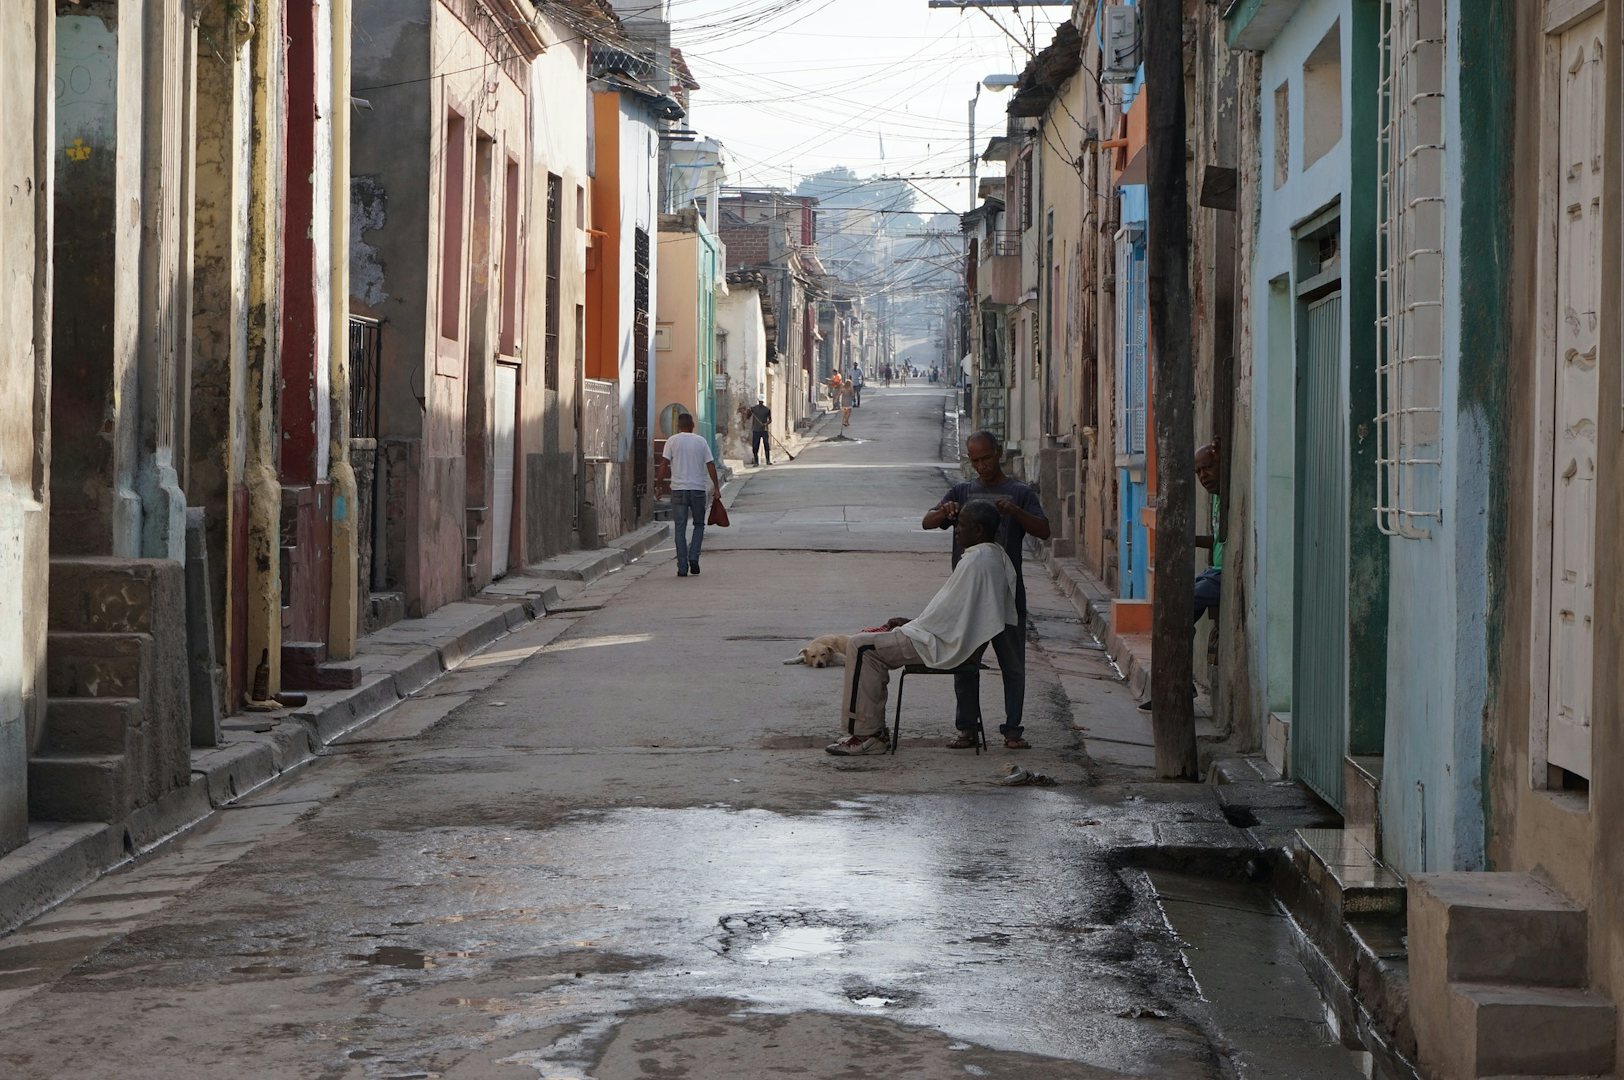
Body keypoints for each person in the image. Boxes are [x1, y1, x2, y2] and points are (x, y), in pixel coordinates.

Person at [828, 501, 1017, 756]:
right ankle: (871, 731)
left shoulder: (977, 562)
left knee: (860, 646)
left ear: (979, 530)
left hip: (945, 645)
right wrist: (912, 623)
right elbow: (952, 613)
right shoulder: (993, 555)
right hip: (949, 639)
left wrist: (912, 627)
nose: (956, 531)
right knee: (870, 643)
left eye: (961, 525)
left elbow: (948, 618)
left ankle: (866, 735)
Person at [921, 431, 1050, 749]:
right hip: (969, 596)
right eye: (974, 460)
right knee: (964, 660)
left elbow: (1044, 529)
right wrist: (944, 513)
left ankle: (1012, 729)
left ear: (999, 452)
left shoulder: (1018, 492)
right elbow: (927, 521)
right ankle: (966, 727)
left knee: (1012, 663)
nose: (981, 466)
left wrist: (1016, 513)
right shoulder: (963, 490)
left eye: (986, 458)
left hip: (1006, 592)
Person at [1139, 441, 1223, 711]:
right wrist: (1190, 539)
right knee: (1170, 608)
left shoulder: (1226, 496)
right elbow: (1217, 542)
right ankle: (1173, 686)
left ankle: (1177, 688)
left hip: (1220, 576)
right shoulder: (1217, 499)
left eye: (1207, 468)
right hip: (1213, 573)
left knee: (1177, 611)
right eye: (1198, 472)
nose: (1203, 477)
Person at [660, 413, 720, 578]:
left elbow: (664, 463)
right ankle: (694, 557)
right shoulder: (700, 441)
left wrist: (658, 486)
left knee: (680, 528)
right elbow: (710, 464)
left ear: (679, 426)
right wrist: (716, 487)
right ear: (693, 425)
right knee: (699, 525)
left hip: (678, 490)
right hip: (698, 490)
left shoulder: (672, 441)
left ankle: (682, 566)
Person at [748, 398, 772, 466]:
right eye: (760, 401)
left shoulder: (767, 409)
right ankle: (756, 461)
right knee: (755, 446)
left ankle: (768, 460)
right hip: (756, 430)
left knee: (766, 444)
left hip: (764, 430)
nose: (761, 402)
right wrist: (749, 411)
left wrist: (765, 424)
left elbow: (770, 420)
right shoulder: (753, 409)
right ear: (759, 401)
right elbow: (748, 416)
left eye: (761, 401)